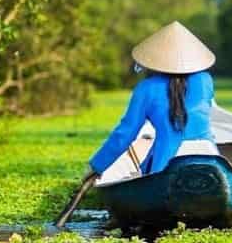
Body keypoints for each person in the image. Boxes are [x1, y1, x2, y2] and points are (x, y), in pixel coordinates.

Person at [86, 21, 218, 180]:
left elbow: (126, 134)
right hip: (211, 160)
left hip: (166, 167)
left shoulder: (146, 88)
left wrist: (97, 166)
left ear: (156, 58)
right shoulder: (205, 80)